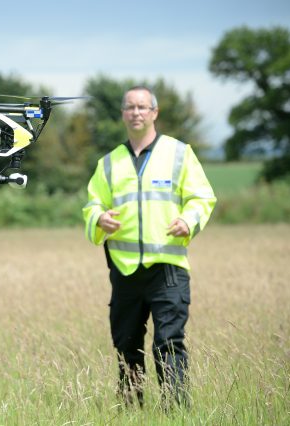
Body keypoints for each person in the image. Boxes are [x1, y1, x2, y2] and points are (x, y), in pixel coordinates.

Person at [82, 86, 216, 408]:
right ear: (122, 115)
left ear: (155, 113)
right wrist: (99, 219)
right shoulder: (109, 163)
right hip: (125, 271)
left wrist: (189, 220)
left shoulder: (179, 153)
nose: (136, 112)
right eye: (130, 107)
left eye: (143, 107)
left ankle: (175, 412)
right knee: (126, 346)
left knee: (168, 344)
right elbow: (92, 205)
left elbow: (202, 197)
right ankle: (132, 411)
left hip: (167, 270)